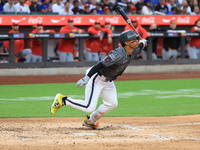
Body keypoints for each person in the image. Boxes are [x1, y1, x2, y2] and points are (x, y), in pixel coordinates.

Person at [50, 30, 147, 130]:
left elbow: (140, 45)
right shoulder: (118, 54)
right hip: (96, 77)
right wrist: (87, 77)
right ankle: (63, 100)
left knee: (112, 103)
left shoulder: (133, 50)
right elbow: (100, 64)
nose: (136, 41)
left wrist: (143, 42)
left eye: (136, 39)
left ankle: (90, 121)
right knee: (89, 107)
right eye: (133, 40)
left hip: (108, 80)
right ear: (126, 43)